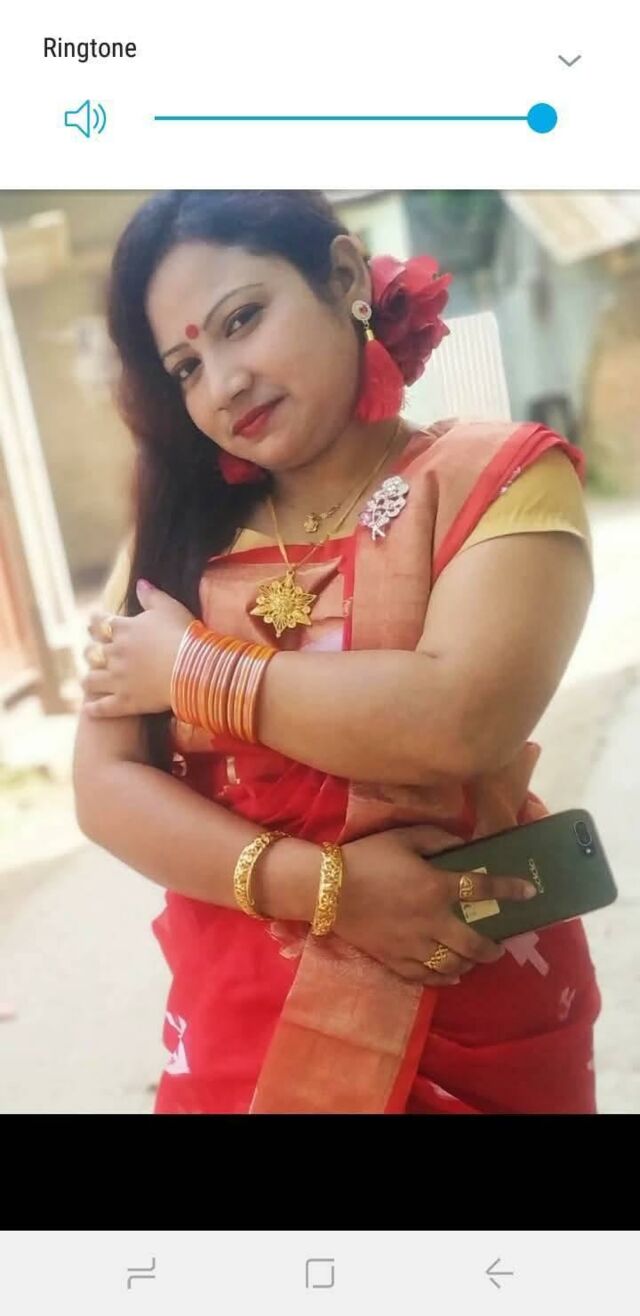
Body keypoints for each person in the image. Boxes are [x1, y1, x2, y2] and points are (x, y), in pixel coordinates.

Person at [73, 190, 599, 1115]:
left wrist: (194, 669)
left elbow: (458, 720)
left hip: (467, 999)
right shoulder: (178, 540)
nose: (224, 382)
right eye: (187, 366)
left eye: (243, 319)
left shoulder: (497, 480)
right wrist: (331, 891)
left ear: (344, 275)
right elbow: (104, 787)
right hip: (244, 1026)